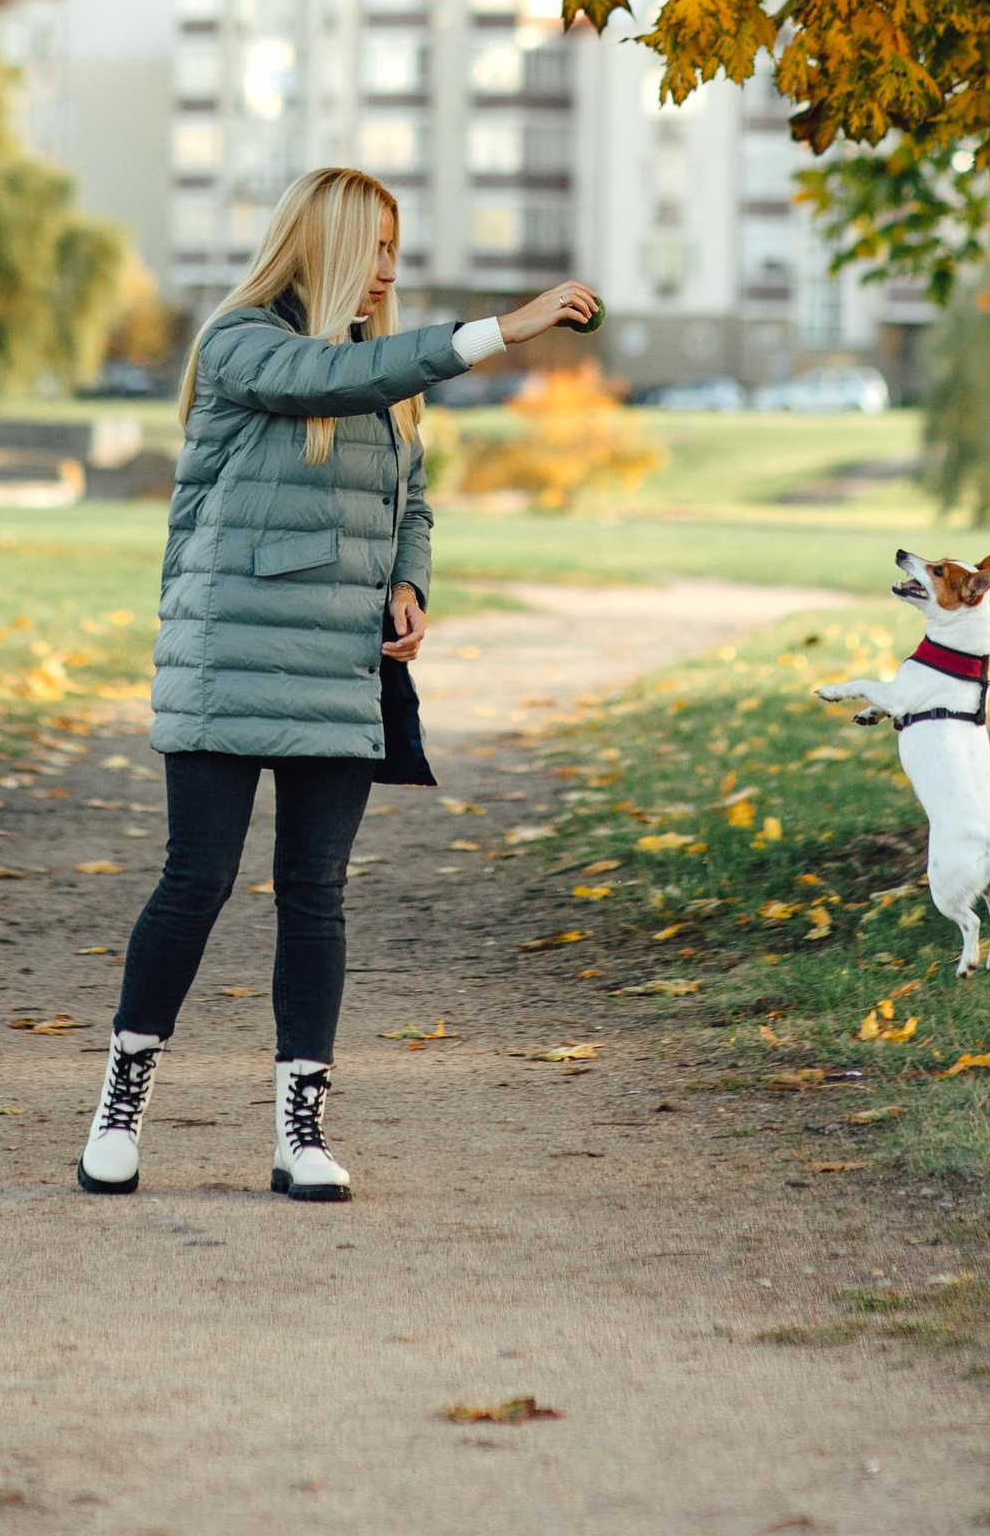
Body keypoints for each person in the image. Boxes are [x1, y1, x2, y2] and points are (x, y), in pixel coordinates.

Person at [76, 164, 598, 1204]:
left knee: (317, 895)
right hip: (229, 652)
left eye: (399, 252)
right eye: (376, 250)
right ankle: (120, 1106)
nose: (388, 272)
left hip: (336, 662)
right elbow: (320, 384)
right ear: (323, 247)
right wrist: (501, 330)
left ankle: (299, 1134)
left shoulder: (380, 374)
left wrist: (408, 580)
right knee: (200, 879)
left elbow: (413, 501)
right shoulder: (243, 344)